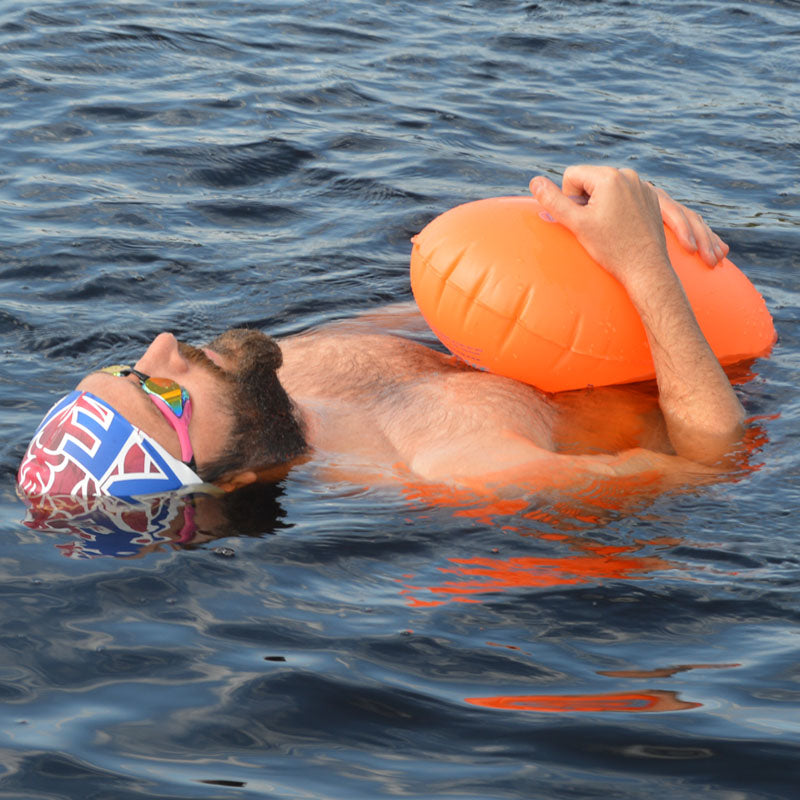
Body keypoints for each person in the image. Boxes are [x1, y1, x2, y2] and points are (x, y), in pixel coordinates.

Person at [17, 166, 747, 503]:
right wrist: (648, 269)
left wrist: (613, 237)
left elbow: (486, 307)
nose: (165, 344)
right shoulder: (465, 469)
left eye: (130, 364)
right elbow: (715, 466)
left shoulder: (284, 367)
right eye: (163, 391)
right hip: (721, 381)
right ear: (233, 478)